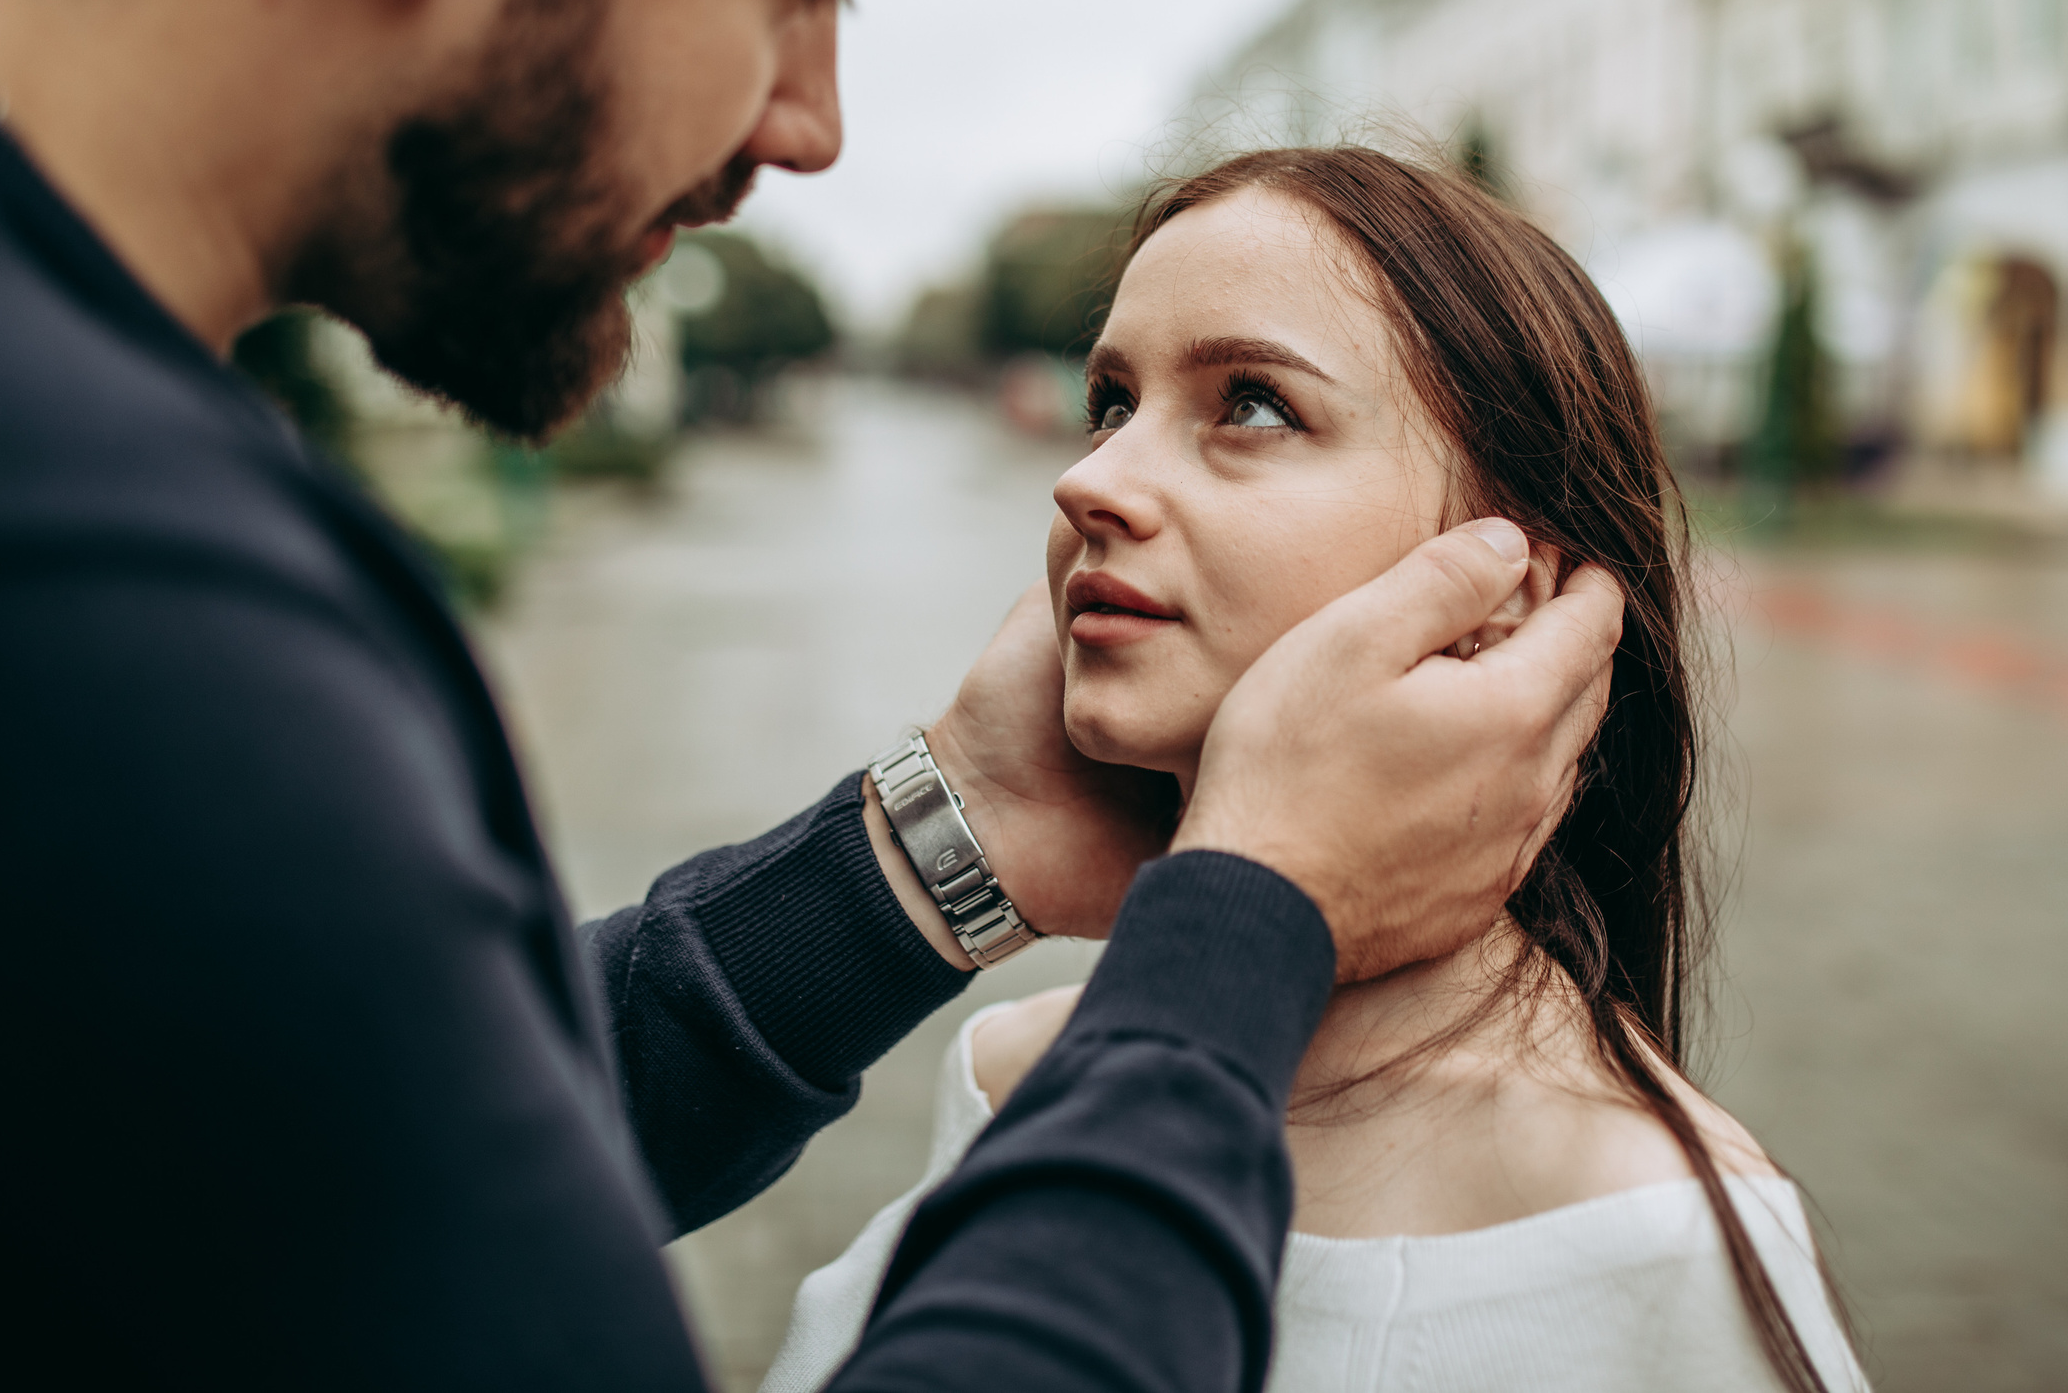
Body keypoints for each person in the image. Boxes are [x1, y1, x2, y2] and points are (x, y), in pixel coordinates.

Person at [0, 0, 1625, 1389]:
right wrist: (1252, 918)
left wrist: (938, 845)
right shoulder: (85, 587)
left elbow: (291, 1169)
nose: (807, 123)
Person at [767, 148, 1870, 1393]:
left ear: (1514, 591)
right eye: (1113, 402)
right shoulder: (1015, 1070)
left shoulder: (1640, 1227)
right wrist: (959, 823)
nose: (1088, 480)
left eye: (1249, 404)